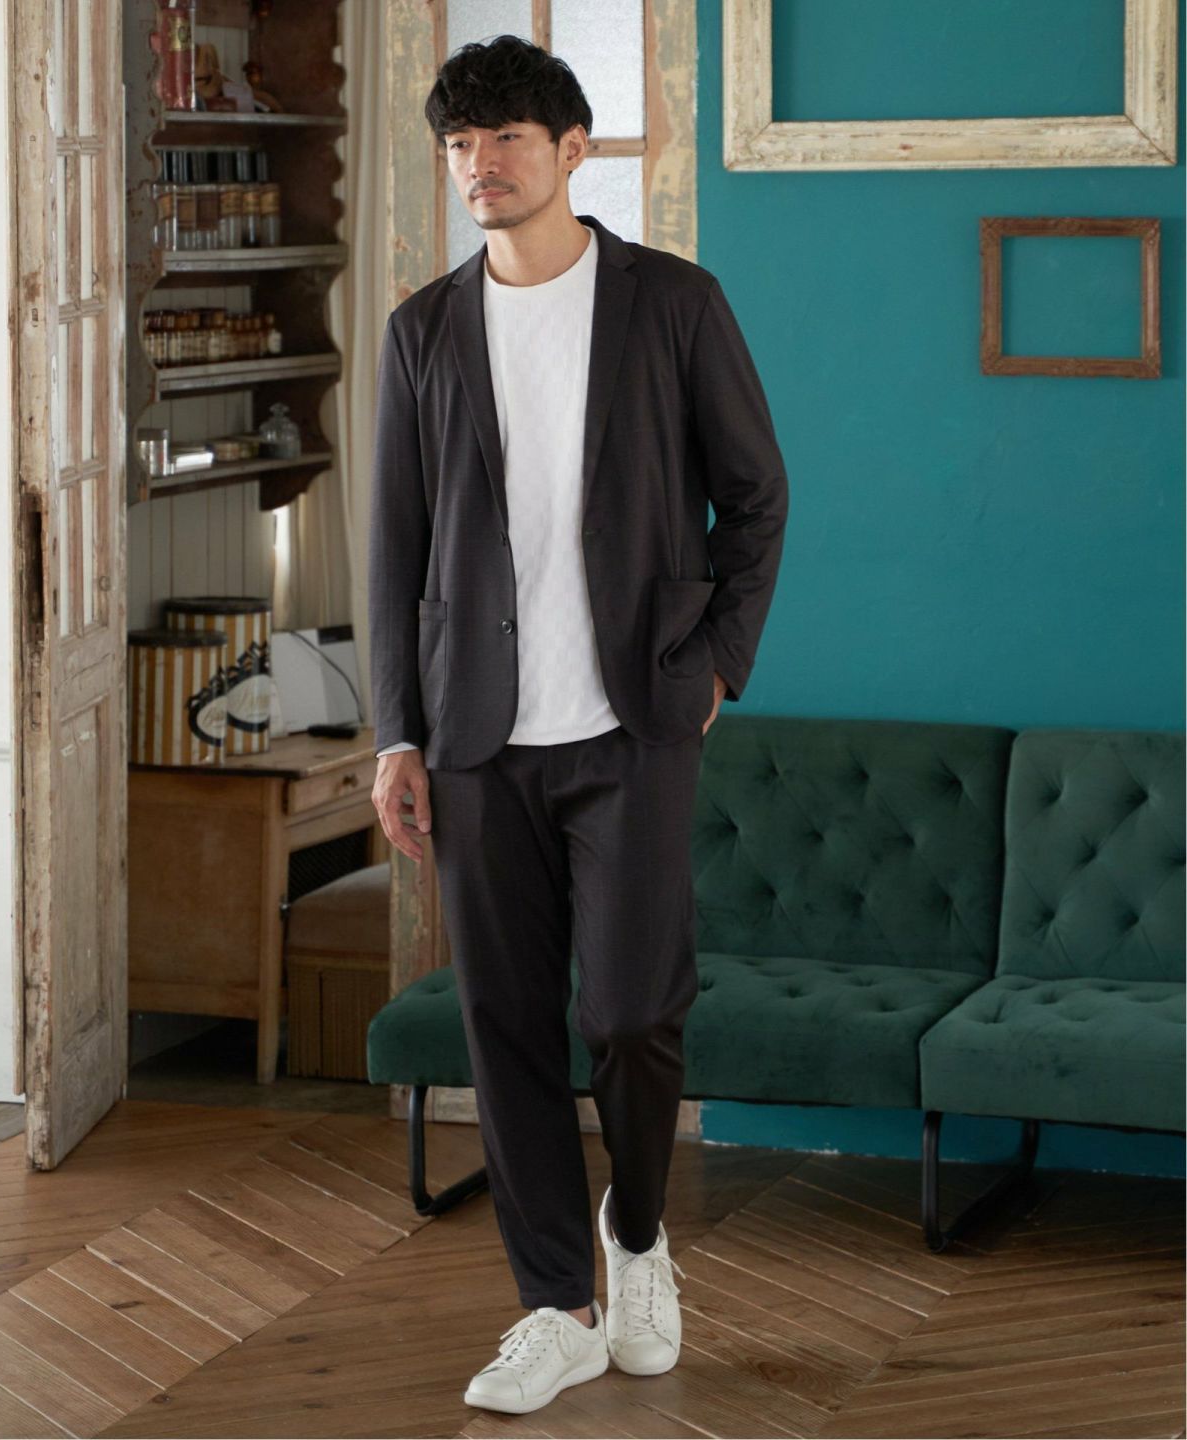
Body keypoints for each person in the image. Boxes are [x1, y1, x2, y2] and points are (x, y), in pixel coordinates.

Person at [368, 34, 788, 1417]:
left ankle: (640, 1236)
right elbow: (395, 547)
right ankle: (556, 1304)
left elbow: (758, 495)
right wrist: (396, 733)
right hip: (476, 741)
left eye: (504, 139)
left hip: (633, 724)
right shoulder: (422, 330)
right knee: (502, 1023)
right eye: (459, 144)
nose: (478, 165)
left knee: (630, 1011)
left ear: (571, 150)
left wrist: (715, 667)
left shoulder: (674, 304)